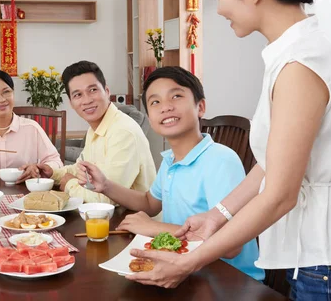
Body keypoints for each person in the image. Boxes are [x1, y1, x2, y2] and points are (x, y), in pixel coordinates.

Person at [126, 0, 331, 299]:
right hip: (311, 254)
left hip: (323, 258)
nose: (219, 7)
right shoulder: (292, 55)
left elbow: (280, 194)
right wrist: (217, 215)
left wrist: (189, 261)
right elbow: (274, 163)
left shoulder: (300, 65)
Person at [77, 67, 264, 280]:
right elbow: (150, 203)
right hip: (185, 268)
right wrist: (105, 185)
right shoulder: (170, 161)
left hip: (230, 281)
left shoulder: (221, 160)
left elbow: (231, 247)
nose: (165, 107)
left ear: (200, 106)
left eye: (176, 96)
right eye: (155, 102)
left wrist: (154, 228)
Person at [37, 60, 156, 203]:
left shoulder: (123, 132)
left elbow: (107, 199)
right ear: (71, 102)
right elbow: (81, 168)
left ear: (106, 91)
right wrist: (53, 173)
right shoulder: (96, 127)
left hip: (135, 219)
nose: (87, 100)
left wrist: (69, 184)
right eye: (78, 95)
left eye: (93, 90)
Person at [0, 70, 63, 180]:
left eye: (6, 92)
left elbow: (56, 162)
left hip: (25, 193)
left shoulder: (32, 128)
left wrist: (38, 168)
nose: (2, 99)